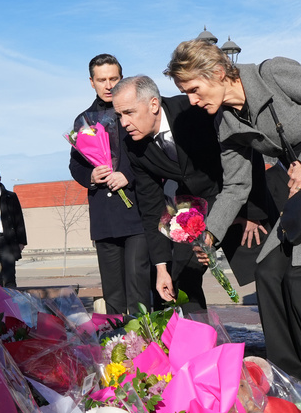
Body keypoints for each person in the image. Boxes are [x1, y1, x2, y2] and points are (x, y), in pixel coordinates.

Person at [165, 40, 301, 398]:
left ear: (218, 73)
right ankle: (292, 383)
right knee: (267, 271)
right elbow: (236, 186)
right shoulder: (227, 123)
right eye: (184, 92)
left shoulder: (274, 74)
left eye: (194, 89)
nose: (192, 100)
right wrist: (209, 236)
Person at [112, 74, 268, 312]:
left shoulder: (193, 110)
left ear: (153, 104)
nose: (123, 123)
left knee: (266, 275)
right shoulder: (133, 145)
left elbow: (245, 150)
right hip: (194, 210)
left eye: (129, 113)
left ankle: (285, 347)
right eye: (119, 115)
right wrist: (161, 267)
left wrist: (252, 211)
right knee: (180, 279)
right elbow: (152, 208)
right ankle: (199, 344)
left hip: (236, 197)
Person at [68, 54, 151, 315]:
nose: (108, 85)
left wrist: (127, 174)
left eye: (113, 78)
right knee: (113, 293)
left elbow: (150, 154)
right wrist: (91, 176)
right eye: (101, 79)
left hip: (137, 213)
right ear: (91, 82)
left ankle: (146, 346)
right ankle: (119, 347)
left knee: (138, 286)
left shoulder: (134, 111)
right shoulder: (83, 120)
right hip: (104, 218)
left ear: (122, 78)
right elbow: (76, 164)